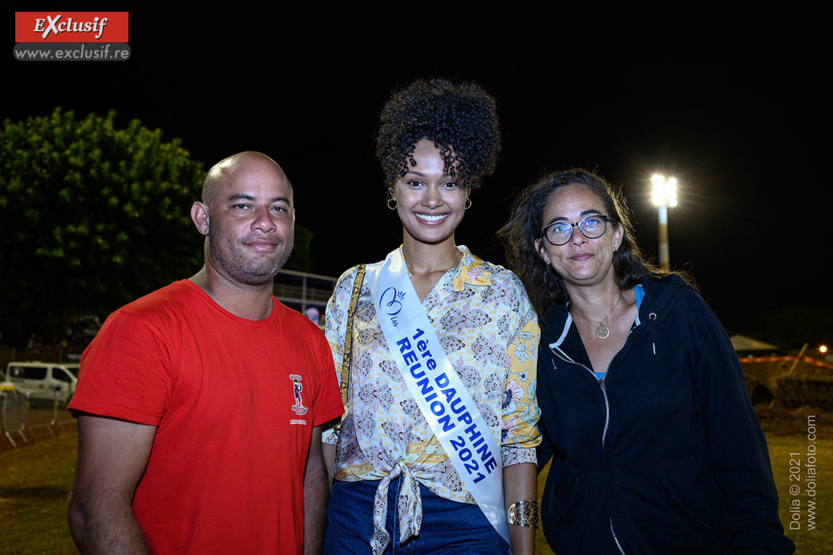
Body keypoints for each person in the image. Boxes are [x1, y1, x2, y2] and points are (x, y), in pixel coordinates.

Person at [499, 168, 795, 554]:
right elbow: (520, 449)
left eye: (592, 222)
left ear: (617, 233)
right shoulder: (539, 343)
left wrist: (763, 542)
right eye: (559, 227)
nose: (577, 238)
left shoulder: (678, 313)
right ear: (542, 248)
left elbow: (736, 440)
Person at [67, 151, 344, 554]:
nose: (265, 222)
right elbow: (94, 507)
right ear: (202, 218)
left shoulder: (309, 340)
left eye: (278, 208)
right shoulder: (141, 331)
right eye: (242, 205)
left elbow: (311, 471)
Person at [321, 78, 542, 555]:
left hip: (466, 523)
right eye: (415, 181)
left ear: (469, 191)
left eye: (450, 182)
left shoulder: (502, 293)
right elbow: (329, 427)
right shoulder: (355, 288)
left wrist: (524, 549)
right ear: (392, 187)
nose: (432, 199)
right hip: (357, 516)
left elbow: (519, 436)